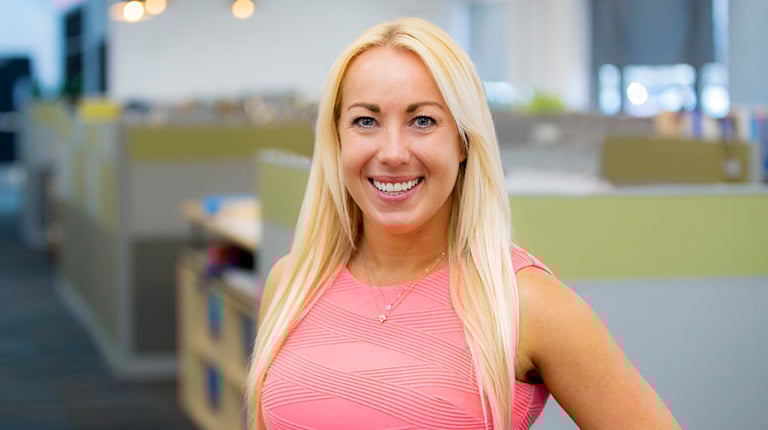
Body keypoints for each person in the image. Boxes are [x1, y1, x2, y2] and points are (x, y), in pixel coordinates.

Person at [247, 17, 679, 430]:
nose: (393, 153)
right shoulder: (292, 283)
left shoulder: (523, 303)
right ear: (337, 139)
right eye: (366, 121)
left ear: (464, 142)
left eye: (422, 121)